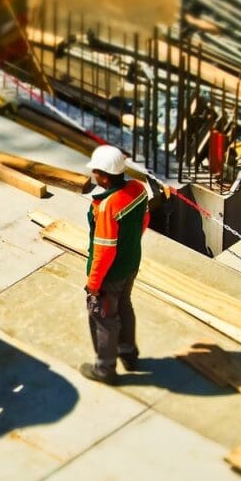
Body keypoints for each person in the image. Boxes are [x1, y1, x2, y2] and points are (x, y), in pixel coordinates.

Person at [80, 145, 150, 385]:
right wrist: (129, 247)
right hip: (131, 263)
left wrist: (94, 283)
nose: (93, 176)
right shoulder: (138, 190)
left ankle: (105, 370)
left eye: (96, 172)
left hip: (111, 274)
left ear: (105, 176)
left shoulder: (108, 205)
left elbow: (104, 250)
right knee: (125, 306)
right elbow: (144, 220)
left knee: (103, 318)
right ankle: (129, 355)